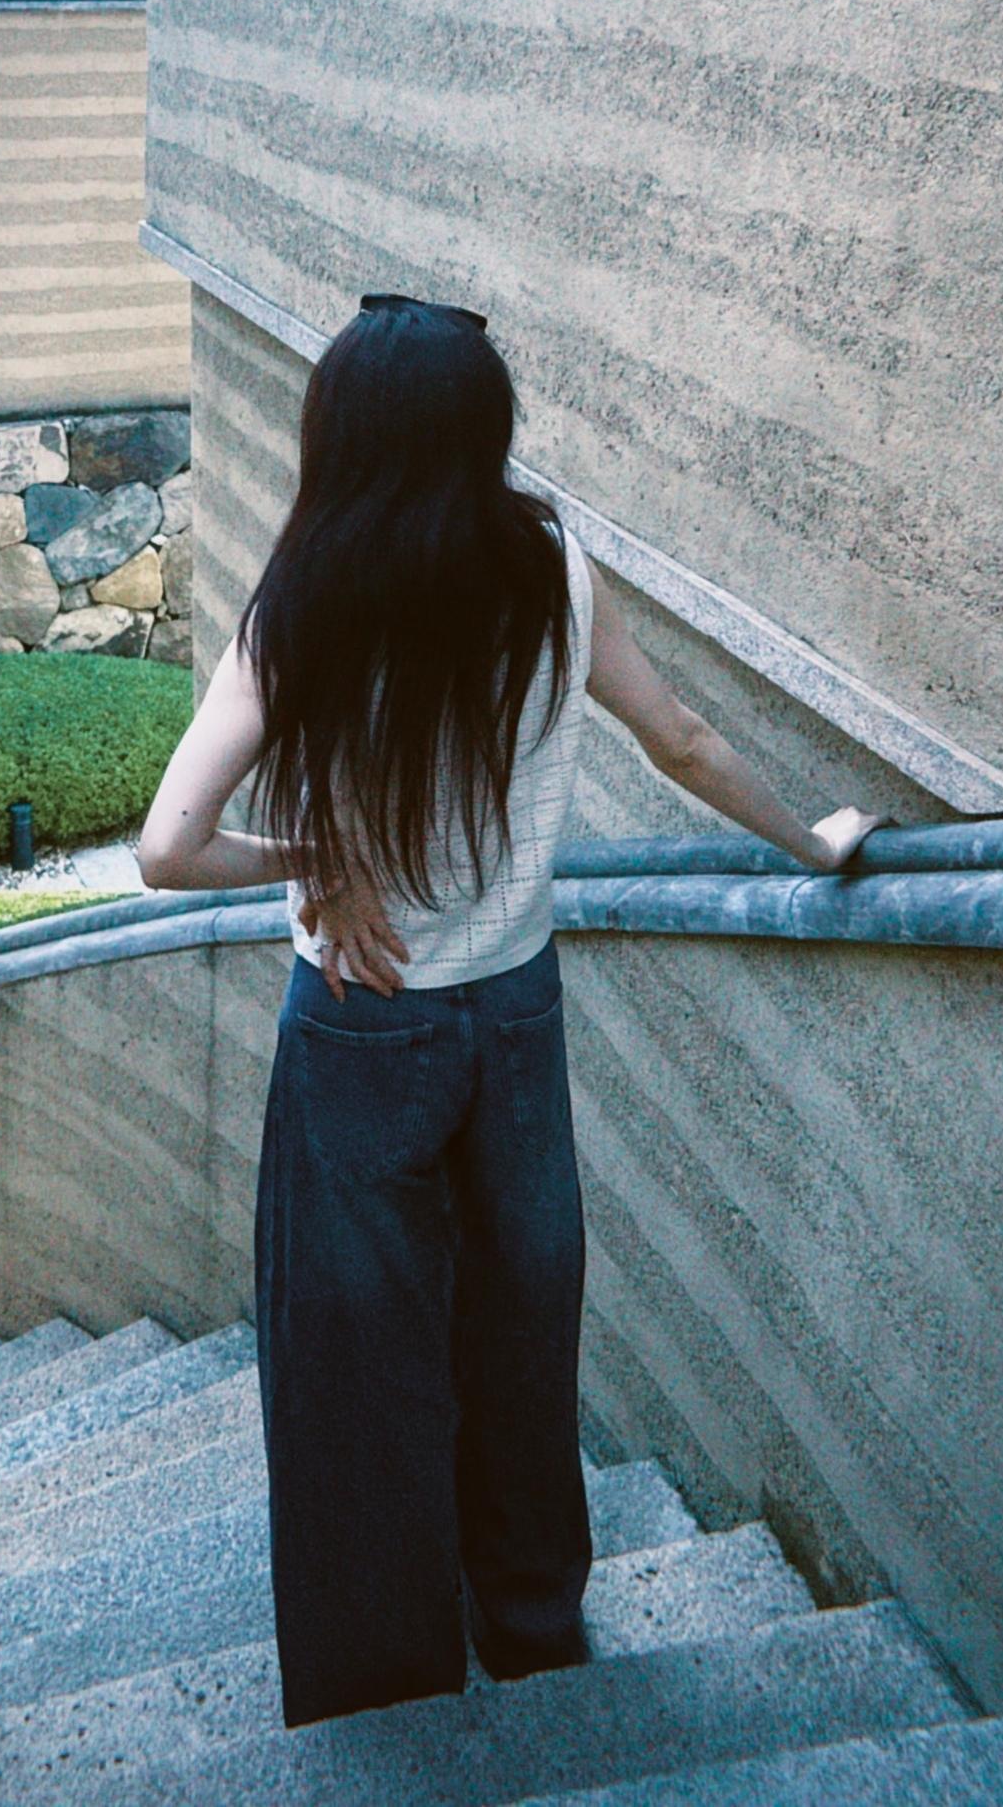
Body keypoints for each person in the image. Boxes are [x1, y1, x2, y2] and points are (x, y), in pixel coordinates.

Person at [138, 292, 888, 1730]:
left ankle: (389, 1684)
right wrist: (814, 844)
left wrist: (313, 855)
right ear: (485, 430)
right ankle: (536, 1627)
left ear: (340, 434)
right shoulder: (550, 568)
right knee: (523, 1326)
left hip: (361, 1022)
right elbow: (684, 741)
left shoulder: (304, 605)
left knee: (356, 1364)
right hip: (515, 1021)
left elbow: (168, 850)